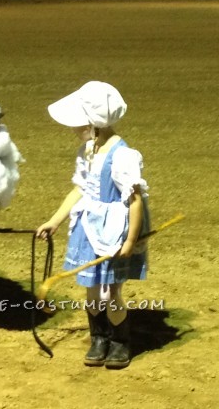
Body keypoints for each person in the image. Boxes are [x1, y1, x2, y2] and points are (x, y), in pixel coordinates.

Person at [36, 81, 150, 369]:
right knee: (91, 290)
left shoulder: (123, 156)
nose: (74, 128)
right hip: (89, 227)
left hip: (114, 230)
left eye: (79, 123)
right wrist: (55, 221)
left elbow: (134, 201)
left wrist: (129, 240)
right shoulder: (86, 150)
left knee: (110, 291)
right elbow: (80, 190)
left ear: (95, 124)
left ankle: (120, 341)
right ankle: (99, 337)